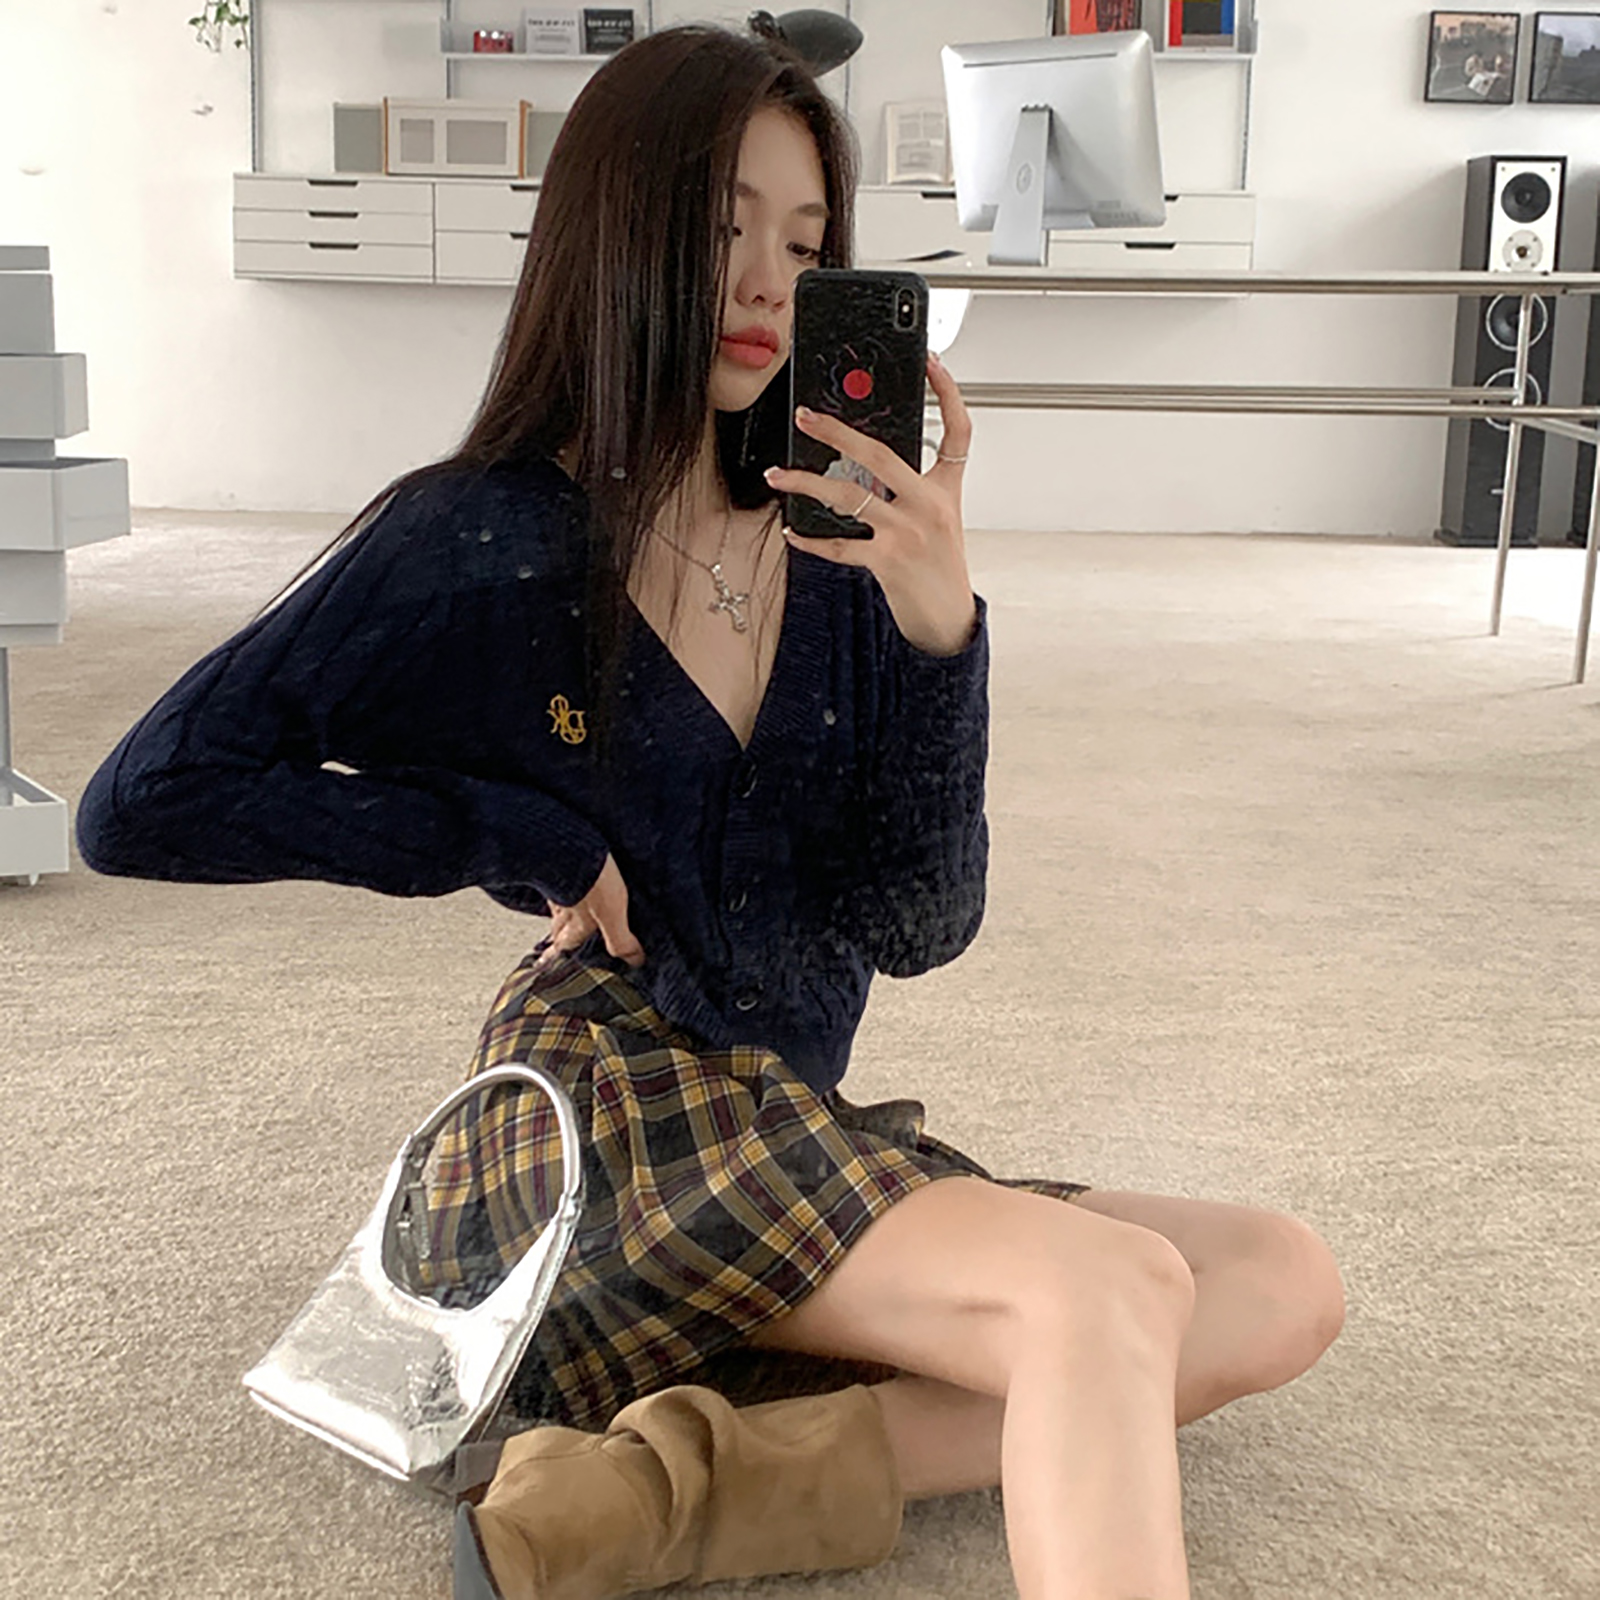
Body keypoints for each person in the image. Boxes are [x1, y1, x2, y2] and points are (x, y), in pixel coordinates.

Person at [77, 24, 1346, 1600]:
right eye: (720, 227)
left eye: (805, 247)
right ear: (614, 235)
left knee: (1275, 1281)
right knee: (1099, 1297)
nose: (764, 283)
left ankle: (658, 1496)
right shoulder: (486, 537)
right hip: (599, 1120)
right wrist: (513, 835)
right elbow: (146, 800)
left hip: (783, 1128)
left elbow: (919, 925)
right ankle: (678, 1454)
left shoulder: (839, 548)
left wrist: (941, 631)